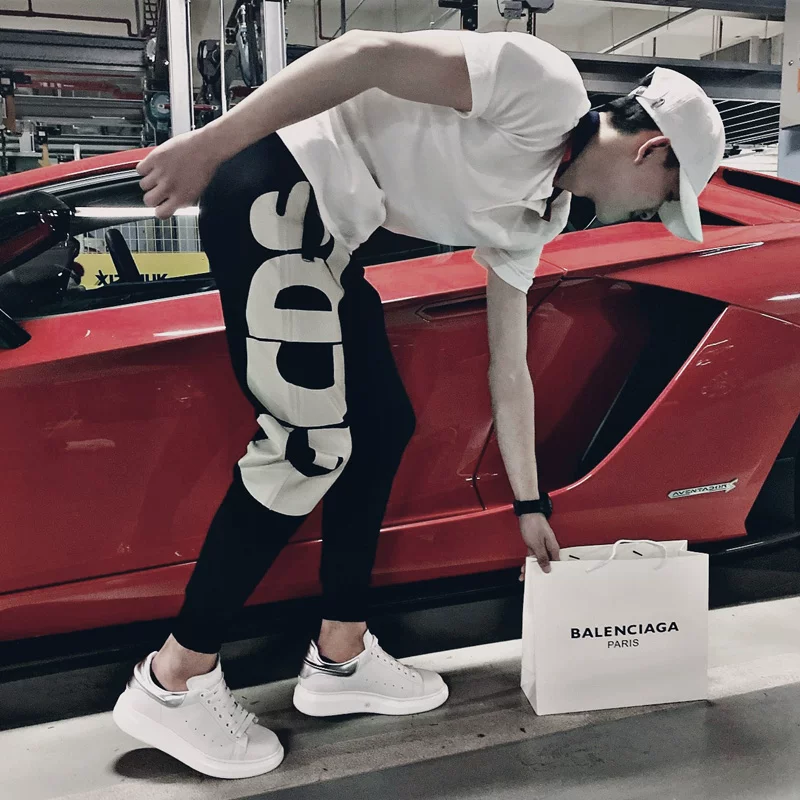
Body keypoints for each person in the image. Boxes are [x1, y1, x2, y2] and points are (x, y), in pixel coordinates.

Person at [111, 29, 725, 779]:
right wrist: (210, 145)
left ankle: (340, 654)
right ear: (651, 150)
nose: (649, 216)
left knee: (380, 427)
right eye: (664, 199)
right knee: (307, 447)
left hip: (328, 236)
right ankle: (175, 678)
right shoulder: (546, 88)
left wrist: (529, 502)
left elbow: (510, 367)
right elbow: (362, 54)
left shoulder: (539, 215)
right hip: (280, 183)